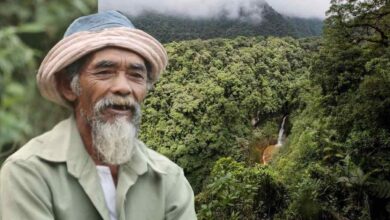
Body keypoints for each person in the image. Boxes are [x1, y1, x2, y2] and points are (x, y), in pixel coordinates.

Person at [0, 11, 197, 220]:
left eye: (136, 75)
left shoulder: (167, 179)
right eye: (104, 72)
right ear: (68, 86)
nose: (123, 87)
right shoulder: (29, 172)